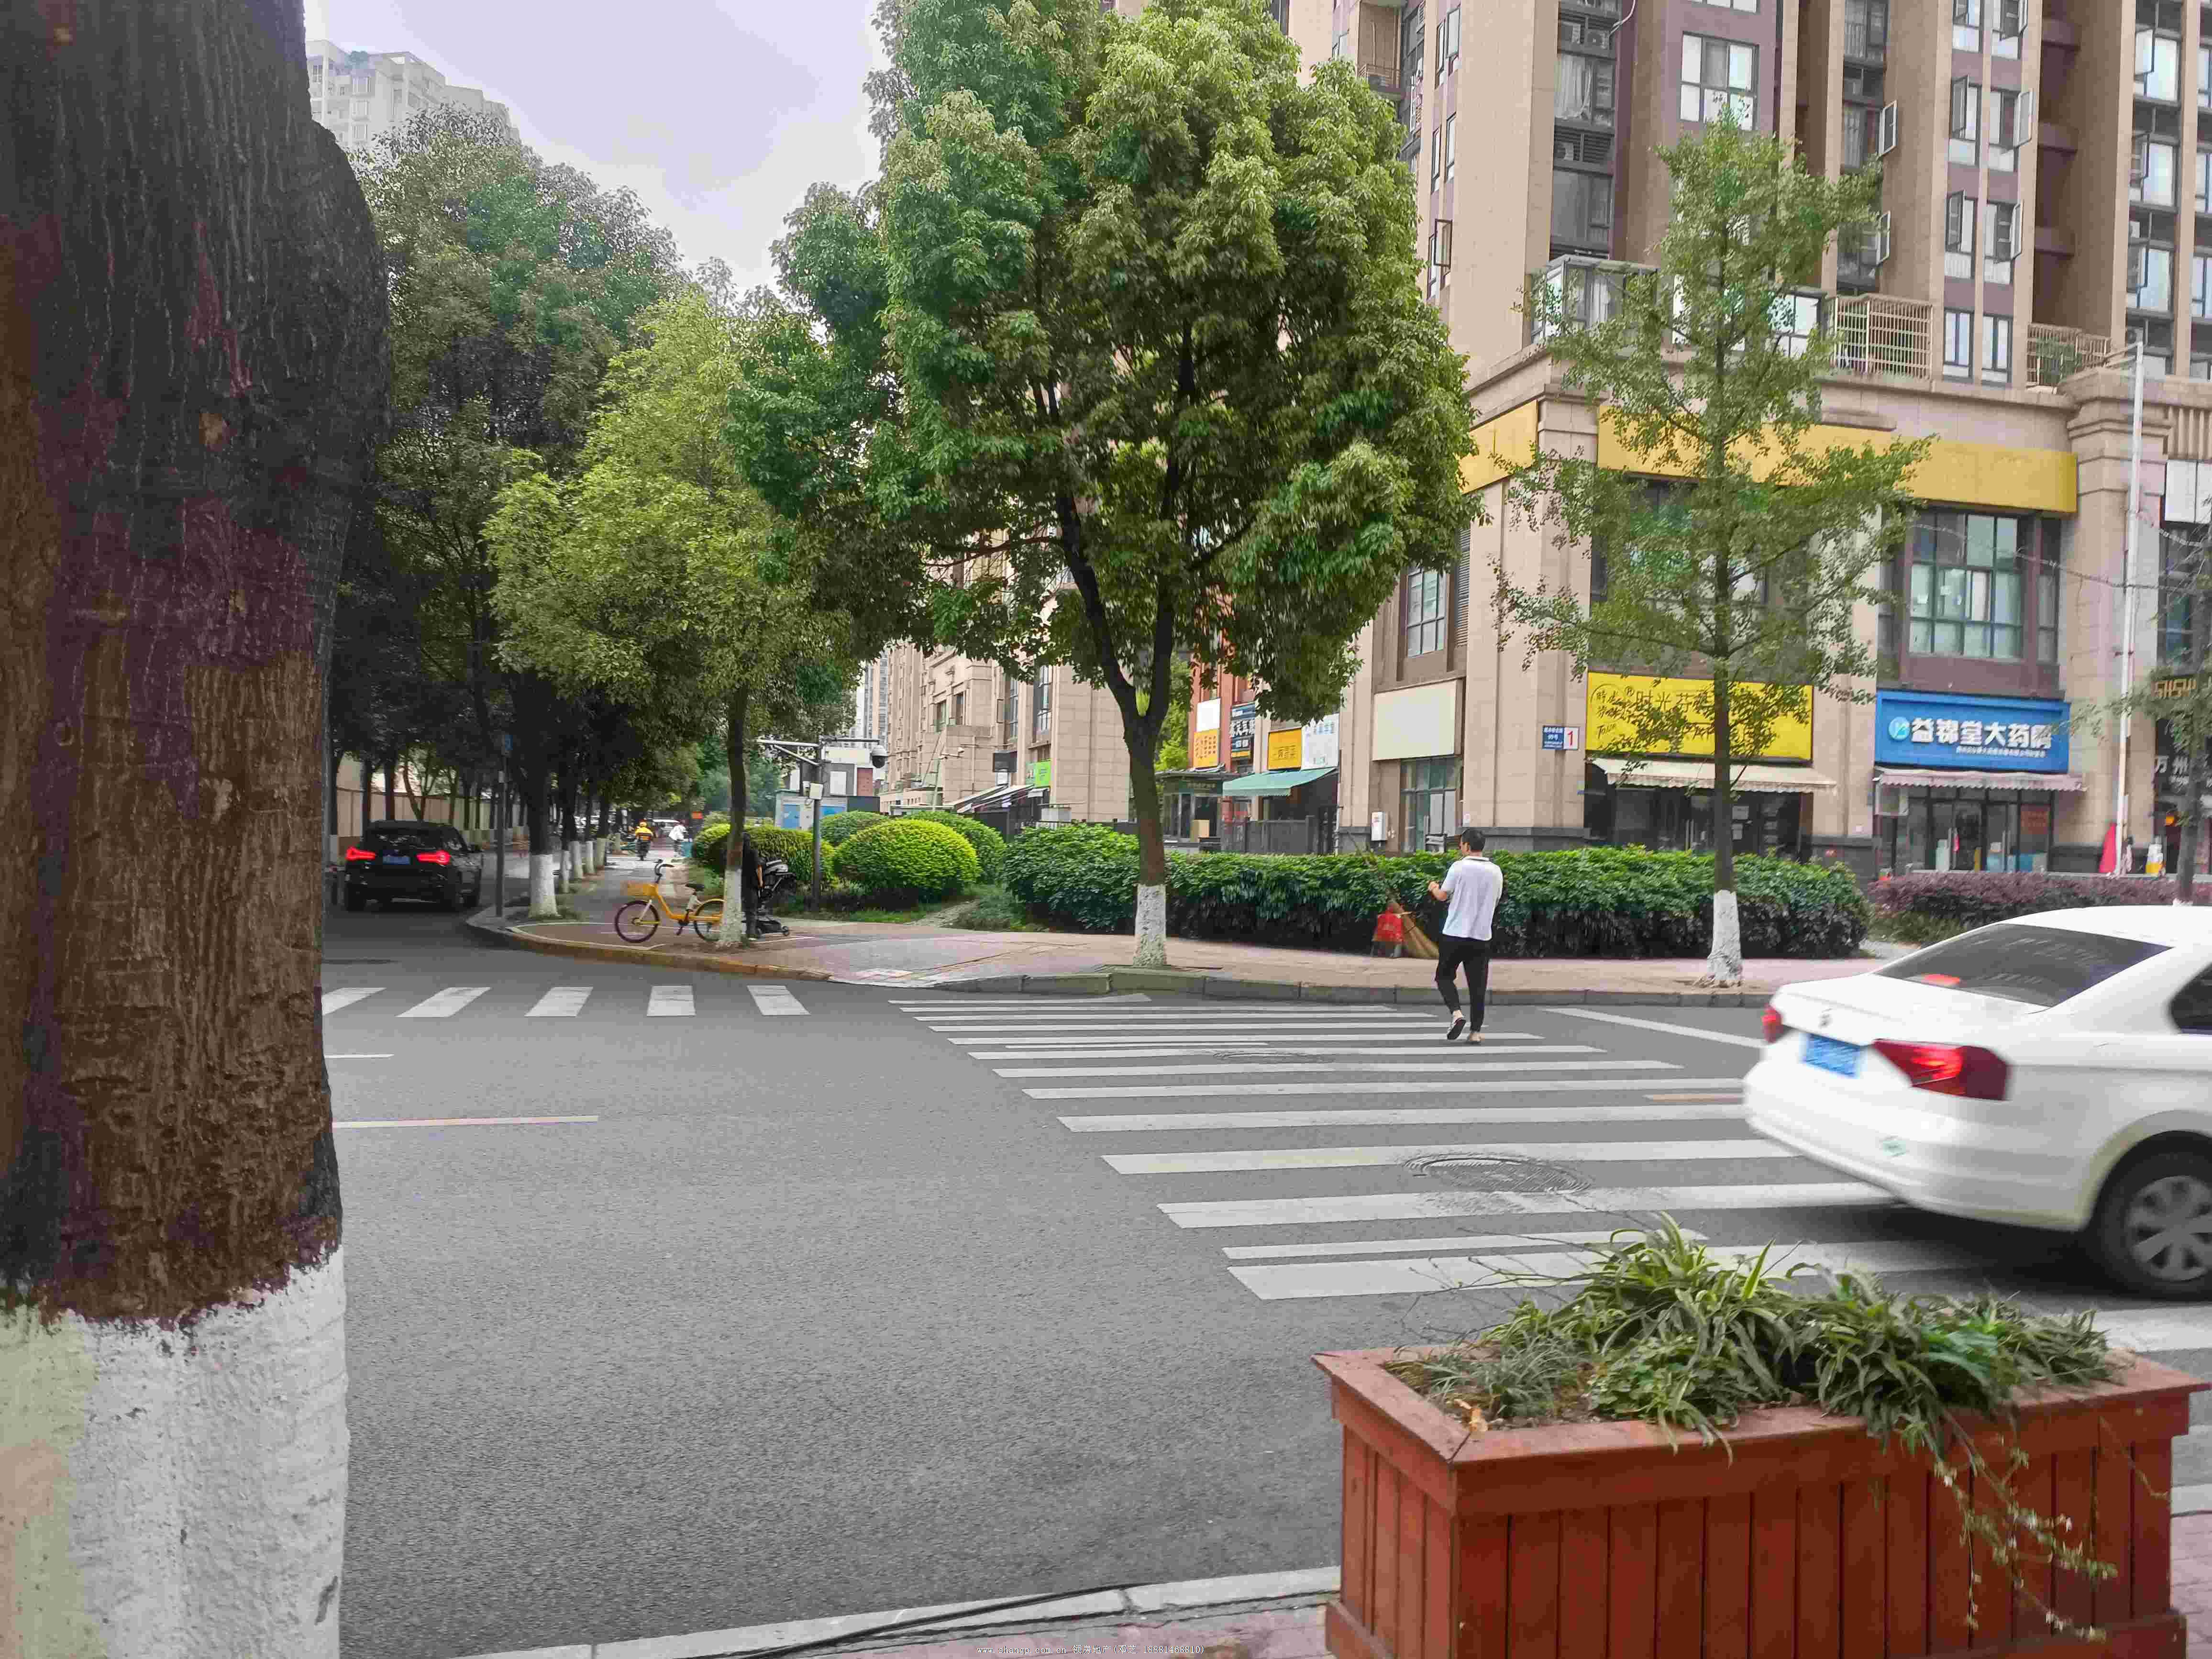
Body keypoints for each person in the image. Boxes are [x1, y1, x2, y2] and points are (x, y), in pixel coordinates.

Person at [1426, 826, 1503, 1043]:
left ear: (1467, 846)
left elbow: (1443, 896)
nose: (1460, 848)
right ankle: (1476, 1033)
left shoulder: (1459, 867)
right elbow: (1496, 900)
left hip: (1455, 934)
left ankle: (1457, 1013)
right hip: (1481, 936)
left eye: (1461, 845)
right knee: (1478, 986)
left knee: (1444, 977)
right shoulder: (1496, 871)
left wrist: (1433, 888)